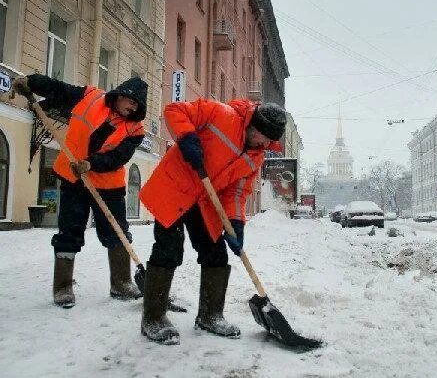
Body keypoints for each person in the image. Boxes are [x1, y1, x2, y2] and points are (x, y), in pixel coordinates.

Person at [138, 99, 287, 345]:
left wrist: (236, 223)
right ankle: (153, 319)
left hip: (205, 202)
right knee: (168, 250)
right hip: (175, 188)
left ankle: (210, 315)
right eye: (264, 138)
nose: (265, 144)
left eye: (270, 141)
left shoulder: (255, 157)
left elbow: (237, 193)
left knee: (216, 254)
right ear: (254, 125)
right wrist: (187, 138)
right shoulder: (220, 113)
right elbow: (175, 110)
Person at [11, 74, 148, 308]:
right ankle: (63, 287)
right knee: (69, 231)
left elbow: (118, 157)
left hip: (108, 185)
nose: (131, 108)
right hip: (73, 178)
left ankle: (122, 282)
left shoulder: (135, 129)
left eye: (136, 106)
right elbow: (60, 89)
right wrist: (31, 82)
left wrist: (91, 164)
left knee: (117, 232)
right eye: (130, 102)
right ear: (120, 96)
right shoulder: (91, 97)